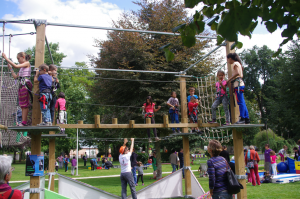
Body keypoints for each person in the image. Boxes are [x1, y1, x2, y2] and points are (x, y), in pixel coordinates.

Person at [3, 52, 32, 126]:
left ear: (23, 57)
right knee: (22, 104)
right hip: (21, 84)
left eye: (18, 58)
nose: (18, 60)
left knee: (25, 104)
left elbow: (16, 66)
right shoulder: (22, 68)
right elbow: (15, 77)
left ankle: (24, 122)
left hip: (25, 84)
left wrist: (6, 58)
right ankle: (23, 121)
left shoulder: (27, 63)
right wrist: (10, 69)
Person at [226, 53, 250, 124]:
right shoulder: (238, 63)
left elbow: (237, 73)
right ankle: (246, 118)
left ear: (230, 58)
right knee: (242, 101)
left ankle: (242, 118)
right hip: (239, 84)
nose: (228, 61)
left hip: (238, 84)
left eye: (228, 59)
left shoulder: (235, 63)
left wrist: (229, 79)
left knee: (240, 102)